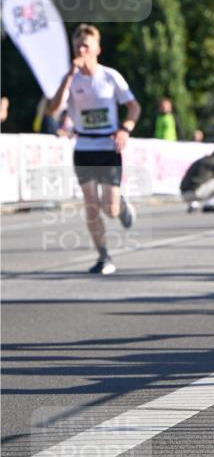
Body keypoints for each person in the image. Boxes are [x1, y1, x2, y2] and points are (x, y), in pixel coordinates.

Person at [46, 23, 141, 275]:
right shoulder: (70, 79)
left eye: (86, 45)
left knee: (108, 210)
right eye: (77, 45)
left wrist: (125, 129)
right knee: (90, 205)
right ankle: (103, 256)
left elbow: (134, 107)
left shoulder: (110, 76)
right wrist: (67, 77)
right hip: (84, 147)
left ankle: (120, 204)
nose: (81, 49)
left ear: (97, 48)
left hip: (108, 147)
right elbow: (52, 110)